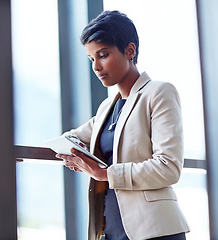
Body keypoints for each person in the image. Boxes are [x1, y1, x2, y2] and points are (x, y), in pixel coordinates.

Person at [55, 10, 190, 240]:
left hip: (155, 231)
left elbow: (169, 167)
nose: (96, 67)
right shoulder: (107, 108)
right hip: (110, 231)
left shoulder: (159, 93)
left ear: (130, 50)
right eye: (91, 59)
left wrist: (105, 173)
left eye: (103, 55)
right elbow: (70, 138)